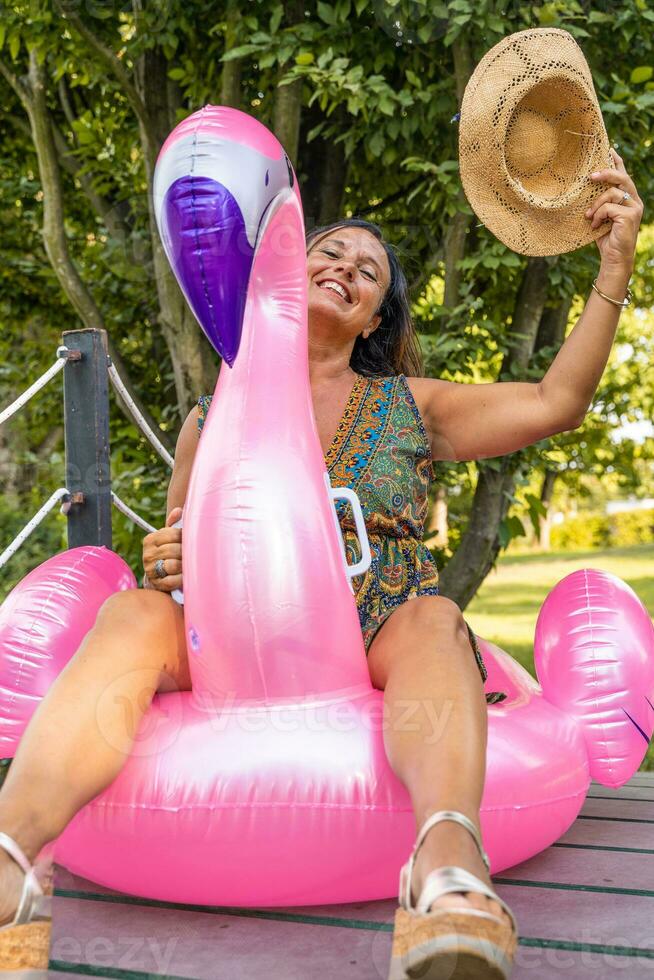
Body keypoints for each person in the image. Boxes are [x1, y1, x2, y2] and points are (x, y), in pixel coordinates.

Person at [0, 149, 641, 978]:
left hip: (379, 628)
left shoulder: (416, 405)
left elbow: (558, 404)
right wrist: (166, 557)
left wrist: (615, 265)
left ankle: (445, 866)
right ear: (281, 276)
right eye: (329, 252)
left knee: (438, 620)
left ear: (375, 317)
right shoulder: (211, 412)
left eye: (368, 271)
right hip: (229, 644)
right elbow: (174, 547)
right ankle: (12, 857)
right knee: (129, 613)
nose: (345, 267)